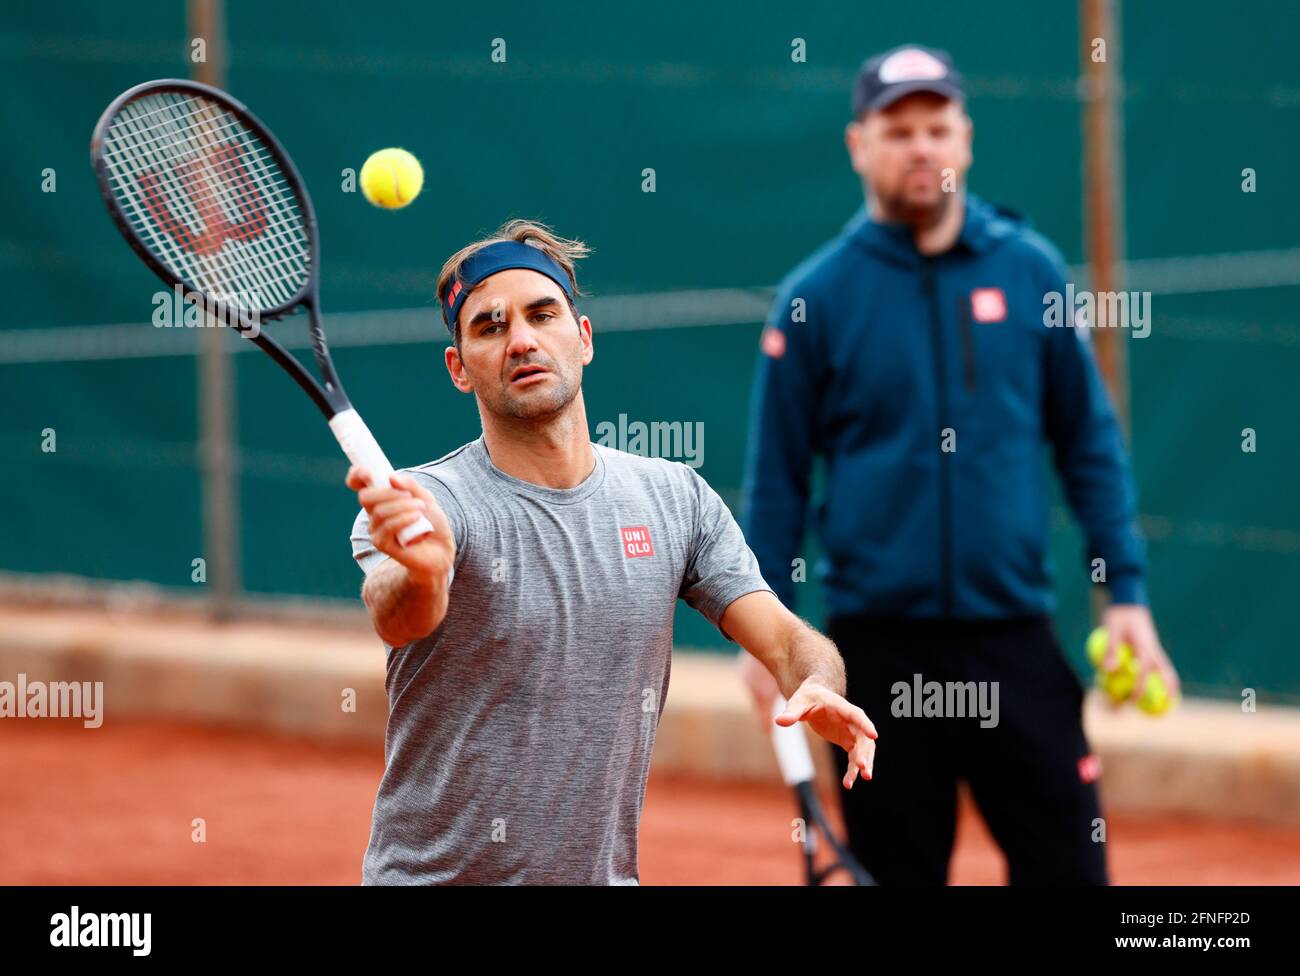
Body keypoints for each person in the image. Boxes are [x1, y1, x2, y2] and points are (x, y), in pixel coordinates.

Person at [738, 45, 1179, 885]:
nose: (921, 148)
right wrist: (771, 638)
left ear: (966, 140)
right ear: (857, 144)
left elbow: (1090, 443)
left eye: (937, 127)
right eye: (897, 129)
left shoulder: (1031, 271)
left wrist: (1125, 595)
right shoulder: (813, 299)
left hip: (1016, 645)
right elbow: (778, 484)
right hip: (877, 659)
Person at [346, 219, 878, 885]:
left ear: (584, 337)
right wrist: (425, 573)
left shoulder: (674, 498)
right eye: (490, 326)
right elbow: (397, 616)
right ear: (459, 368)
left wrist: (820, 683)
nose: (522, 340)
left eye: (543, 314)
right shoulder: (428, 503)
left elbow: (785, 640)